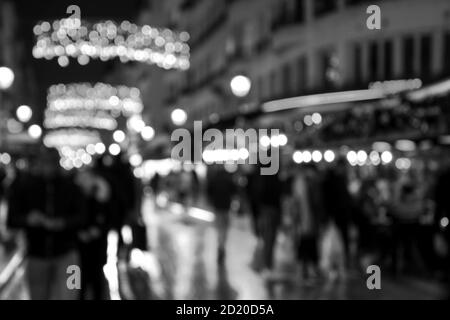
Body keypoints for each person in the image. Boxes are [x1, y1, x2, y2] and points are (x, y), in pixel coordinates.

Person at [7, 148, 86, 300]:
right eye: (44, 162)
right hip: (37, 255)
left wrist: (63, 223)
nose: (47, 167)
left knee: (71, 292)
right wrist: (28, 219)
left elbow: (83, 217)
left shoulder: (72, 187)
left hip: (69, 254)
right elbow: (12, 219)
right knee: (38, 295)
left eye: (51, 163)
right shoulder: (25, 187)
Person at [75, 169, 112, 300]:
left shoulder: (101, 197)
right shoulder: (75, 198)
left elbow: (108, 219)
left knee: (96, 282)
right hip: (77, 252)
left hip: (96, 249)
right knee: (75, 285)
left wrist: (97, 230)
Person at [291, 165, 323, 283]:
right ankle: (307, 269)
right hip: (307, 220)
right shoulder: (308, 183)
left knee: (307, 243)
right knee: (307, 244)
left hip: (307, 221)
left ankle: (306, 269)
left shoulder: (301, 183)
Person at [206, 164, 236, 264]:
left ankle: (221, 245)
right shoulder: (228, 178)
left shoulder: (214, 178)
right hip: (226, 207)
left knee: (219, 228)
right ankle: (222, 245)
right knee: (225, 228)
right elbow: (234, 191)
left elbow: (208, 191)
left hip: (217, 206)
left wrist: (211, 201)